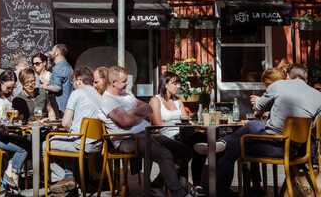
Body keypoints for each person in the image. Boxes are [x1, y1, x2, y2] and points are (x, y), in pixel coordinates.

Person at [196, 66, 321, 196]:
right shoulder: (318, 96)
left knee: (233, 145)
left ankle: (214, 190)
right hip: (297, 149)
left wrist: (258, 102)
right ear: (305, 79)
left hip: (275, 145)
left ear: (288, 76)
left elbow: (259, 107)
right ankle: (224, 148)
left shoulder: (279, 85)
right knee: (253, 127)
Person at [98, 66, 191, 197]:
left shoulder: (127, 95)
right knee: (164, 154)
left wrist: (132, 114)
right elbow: (125, 122)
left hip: (147, 133)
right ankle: (178, 193)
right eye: (124, 81)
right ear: (114, 83)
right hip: (127, 139)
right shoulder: (107, 100)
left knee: (184, 151)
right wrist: (138, 114)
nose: (127, 84)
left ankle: (158, 185)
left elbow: (147, 107)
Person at [44, 66, 102, 194]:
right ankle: (69, 175)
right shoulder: (99, 95)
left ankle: (60, 179)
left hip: (81, 143)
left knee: (46, 143)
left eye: (73, 82)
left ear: (79, 80)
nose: (73, 85)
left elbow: (65, 123)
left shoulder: (77, 93)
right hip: (97, 144)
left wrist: (71, 128)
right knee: (64, 140)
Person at [45, 44, 73, 118]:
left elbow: (57, 88)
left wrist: (43, 86)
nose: (50, 52)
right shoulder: (68, 66)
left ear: (56, 52)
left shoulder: (58, 68)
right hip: (68, 107)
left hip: (59, 108)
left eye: (52, 50)